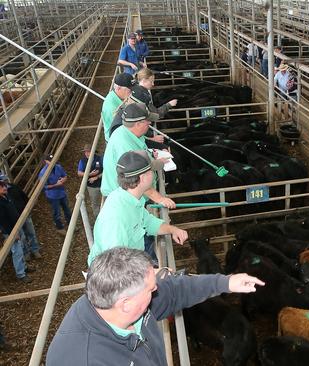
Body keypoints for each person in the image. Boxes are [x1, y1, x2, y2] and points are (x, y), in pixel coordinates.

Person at [46, 247, 264, 366]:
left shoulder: (119, 304)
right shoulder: (81, 358)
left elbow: (175, 290)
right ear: (125, 303)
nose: (156, 291)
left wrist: (225, 282)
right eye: (150, 289)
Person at [89, 151, 187, 266]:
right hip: (114, 276)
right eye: (151, 171)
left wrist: (173, 230)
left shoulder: (131, 199)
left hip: (131, 264)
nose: (154, 174)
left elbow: (149, 222)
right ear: (143, 178)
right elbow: (115, 268)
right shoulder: (116, 219)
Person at [101, 103, 175, 209]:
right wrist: (160, 199)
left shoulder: (129, 132)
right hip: (125, 200)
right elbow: (136, 180)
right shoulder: (123, 144)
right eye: (147, 121)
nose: (150, 123)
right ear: (138, 124)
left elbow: (141, 153)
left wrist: (152, 156)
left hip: (133, 194)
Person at [0, 173, 41, 261]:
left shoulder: (14, 187)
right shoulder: (2, 196)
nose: (4, 183)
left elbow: (25, 197)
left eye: (4, 181)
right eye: (2, 182)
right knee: (22, 237)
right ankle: (26, 253)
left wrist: (28, 209)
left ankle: (35, 250)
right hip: (15, 220)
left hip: (24, 214)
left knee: (31, 232)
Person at [0, 179, 31, 282]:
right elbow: (3, 221)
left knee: (20, 248)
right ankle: (21, 274)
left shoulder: (6, 196)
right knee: (17, 251)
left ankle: (24, 267)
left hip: (17, 226)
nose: (5, 187)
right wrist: (12, 233)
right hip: (11, 231)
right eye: (2, 186)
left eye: (4, 185)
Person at [38, 154, 72, 235]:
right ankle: (59, 227)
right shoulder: (43, 172)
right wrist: (56, 185)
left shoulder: (58, 167)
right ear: (46, 161)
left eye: (53, 160)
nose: (52, 162)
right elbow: (44, 186)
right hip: (52, 196)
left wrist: (63, 180)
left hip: (62, 192)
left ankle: (70, 224)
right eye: (50, 161)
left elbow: (65, 176)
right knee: (56, 212)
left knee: (67, 209)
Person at [101, 73, 135, 141]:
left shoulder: (120, 97)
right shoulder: (111, 107)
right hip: (118, 139)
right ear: (119, 88)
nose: (132, 92)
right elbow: (124, 129)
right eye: (130, 90)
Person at [77, 144, 102, 218]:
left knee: (107, 200)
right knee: (95, 203)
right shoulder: (82, 161)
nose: (87, 153)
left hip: (103, 183)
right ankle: (98, 219)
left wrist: (97, 176)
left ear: (93, 151)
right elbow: (79, 173)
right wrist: (89, 174)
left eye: (89, 151)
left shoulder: (100, 158)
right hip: (92, 186)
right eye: (85, 152)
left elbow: (107, 169)